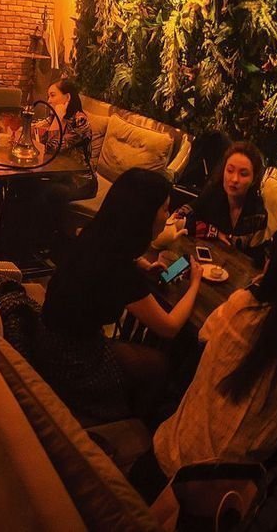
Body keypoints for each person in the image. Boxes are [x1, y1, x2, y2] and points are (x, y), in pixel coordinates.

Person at [131, 223, 277, 499]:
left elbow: (205, 334)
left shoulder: (242, 307)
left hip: (166, 460)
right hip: (217, 500)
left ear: (273, 267)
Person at [33, 168, 202, 424]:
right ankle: (134, 423)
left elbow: (110, 261)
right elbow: (169, 328)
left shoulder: (93, 234)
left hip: (47, 338)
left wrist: (141, 264)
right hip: (71, 362)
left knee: (149, 361)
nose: (168, 217)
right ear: (144, 214)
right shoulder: (119, 272)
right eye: (165, 209)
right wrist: (195, 283)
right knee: (159, 364)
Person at [10, 78, 96, 253]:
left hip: (79, 181)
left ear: (67, 98)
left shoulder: (79, 121)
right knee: (19, 184)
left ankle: (38, 244)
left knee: (45, 192)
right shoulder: (52, 118)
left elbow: (51, 148)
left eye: (52, 95)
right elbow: (36, 139)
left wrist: (58, 121)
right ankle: (12, 238)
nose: (48, 100)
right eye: (48, 96)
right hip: (57, 175)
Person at [174, 141, 268, 251]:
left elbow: (256, 256)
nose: (234, 179)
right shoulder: (213, 194)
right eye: (230, 170)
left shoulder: (258, 214)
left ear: (254, 180)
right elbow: (176, 219)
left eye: (243, 174)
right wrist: (213, 232)